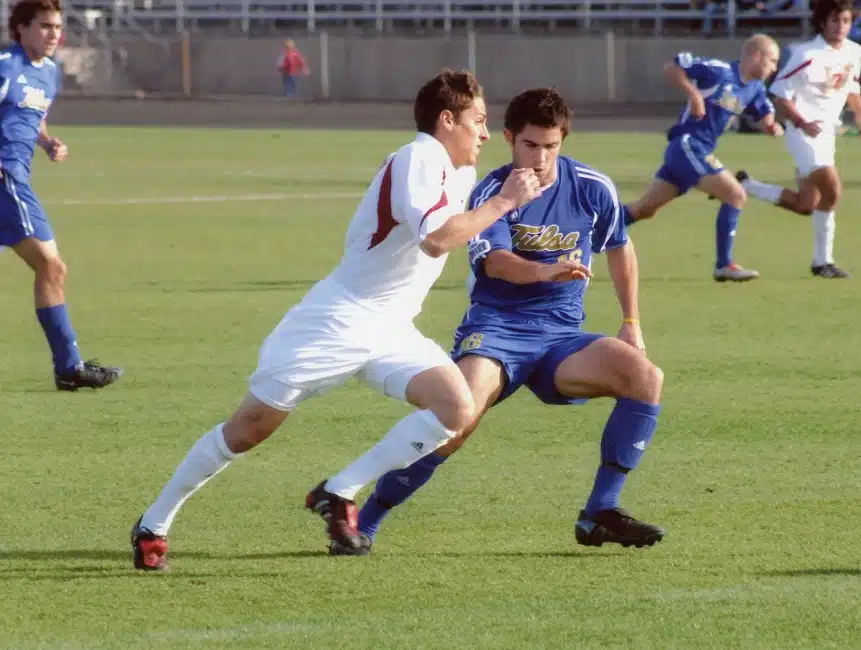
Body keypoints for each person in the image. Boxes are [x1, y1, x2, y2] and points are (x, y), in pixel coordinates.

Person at [130, 69, 542, 570]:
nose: (483, 132)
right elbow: (436, 238)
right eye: (478, 120)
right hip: (336, 319)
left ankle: (339, 490)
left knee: (456, 408)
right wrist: (504, 202)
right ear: (446, 118)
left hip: (391, 328)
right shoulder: (419, 156)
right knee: (248, 429)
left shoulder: (459, 172)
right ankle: (154, 521)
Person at [328, 87, 666, 555]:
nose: (541, 157)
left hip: (560, 337)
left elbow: (619, 246)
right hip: (497, 331)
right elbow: (497, 263)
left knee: (645, 378)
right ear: (509, 138)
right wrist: (546, 270)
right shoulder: (492, 192)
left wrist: (631, 321)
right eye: (530, 145)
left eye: (551, 146)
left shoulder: (591, 186)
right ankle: (365, 522)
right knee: (454, 420)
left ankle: (600, 512)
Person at [0, 0, 122, 390]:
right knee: (52, 267)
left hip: (16, 178)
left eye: (57, 27)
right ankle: (69, 368)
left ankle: (69, 368)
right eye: (46, 26)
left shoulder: (48, 73)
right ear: (21, 28)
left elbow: (32, 114)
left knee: (51, 269)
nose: (55, 34)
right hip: (6, 180)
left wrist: (47, 141)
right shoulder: (6, 64)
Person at [623, 34, 783, 283]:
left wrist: (773, 127)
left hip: (692, 152)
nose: (774, 68)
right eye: (772, 61)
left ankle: (586, 234)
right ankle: (724, 265)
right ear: (756, 56)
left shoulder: (755, 88)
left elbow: (765, 116)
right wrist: (694, 95)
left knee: (645, 209)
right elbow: (673, 67)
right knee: (736, 194)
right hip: (688, 145)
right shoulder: (719, 71)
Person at [738, 0, 861, 279]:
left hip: (827, 134)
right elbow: (779, 95)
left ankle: (746, 186)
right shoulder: (806, 54)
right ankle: (822, 263)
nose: (840, 27)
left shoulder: (853, 51)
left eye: (846, 21)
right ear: (823, 22)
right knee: (832, 190)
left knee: (806, 205)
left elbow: (851, 87)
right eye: (835, 21)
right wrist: (801, 122)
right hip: (802, 133)